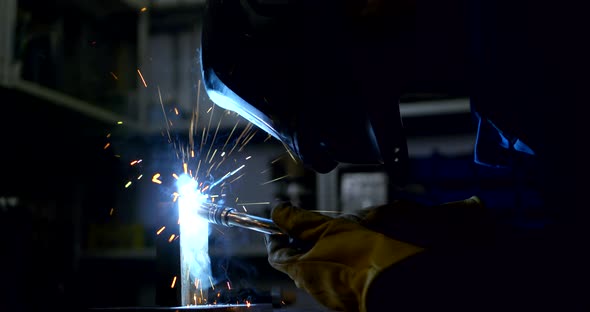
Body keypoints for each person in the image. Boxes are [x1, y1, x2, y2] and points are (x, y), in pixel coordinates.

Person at [199, 0, 586, 311]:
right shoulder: (505, 87)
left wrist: (404, 285)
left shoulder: (543, 38)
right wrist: (454, 232)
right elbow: (557, 233)